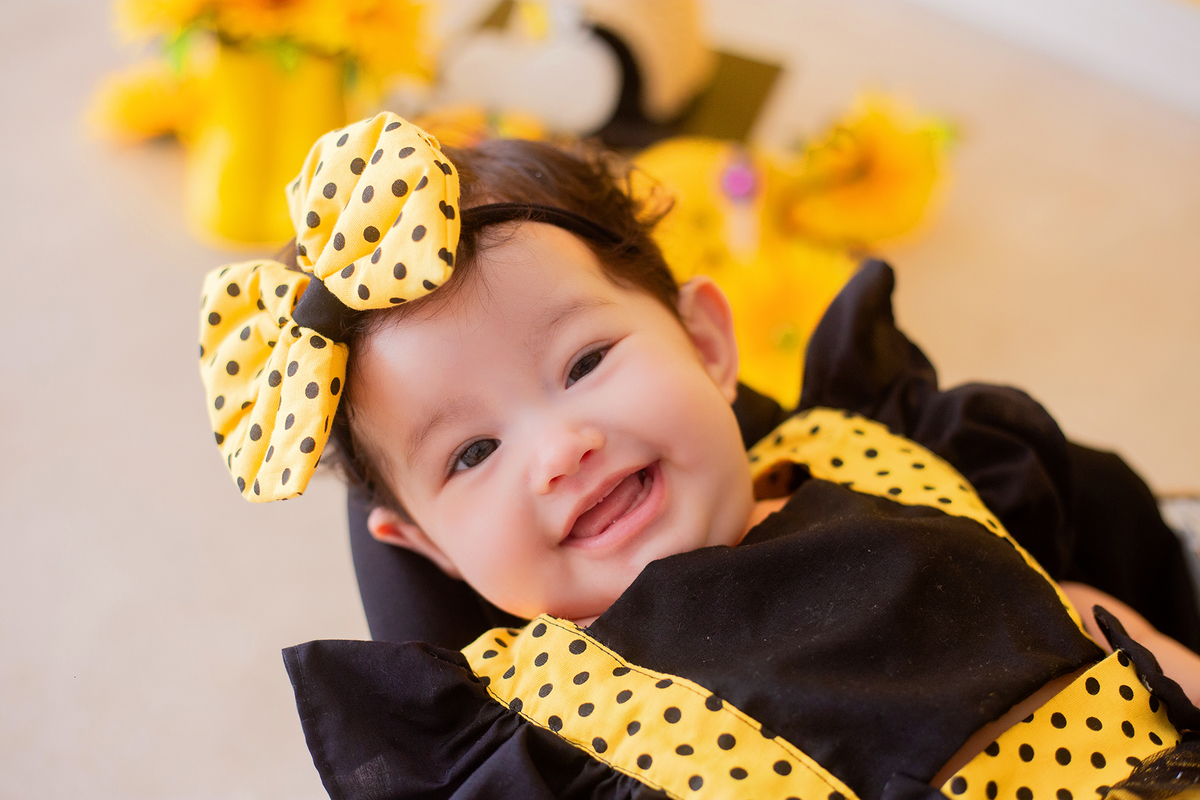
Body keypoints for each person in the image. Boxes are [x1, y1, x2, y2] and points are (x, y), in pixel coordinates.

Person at [199, 112, 1200, 800]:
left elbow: (1093, 616)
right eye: (472, 453)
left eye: (585, 360)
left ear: (709, 346)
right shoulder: (542, 736)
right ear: (428, 548)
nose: (559, 448)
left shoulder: (883, 453)